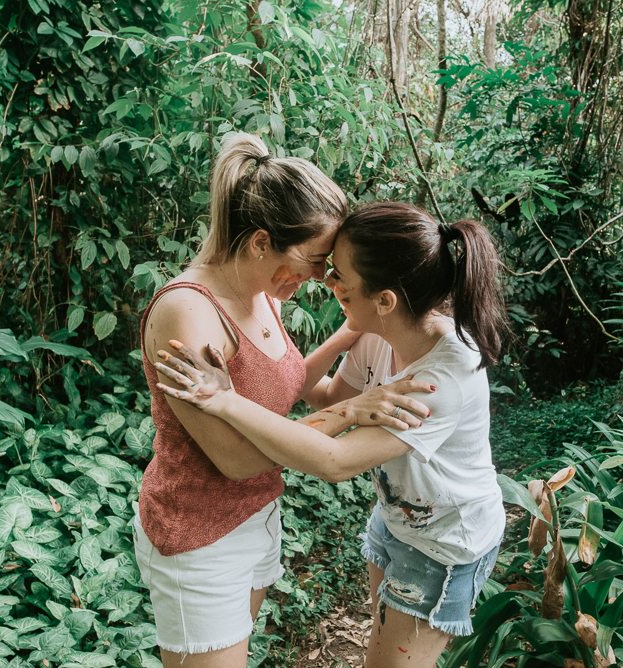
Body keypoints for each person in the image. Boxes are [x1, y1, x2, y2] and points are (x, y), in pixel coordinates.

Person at [155, 202, 511, 668]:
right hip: (397, 519)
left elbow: (334, 461)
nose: (327, 282)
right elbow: (315, 392)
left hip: (446, 543)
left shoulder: (443, 378)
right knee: (382, 647)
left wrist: (224, 400)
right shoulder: (378, 332)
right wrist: (348, 332)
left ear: (385, 300)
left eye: (339, 275)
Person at [135, 136, 434, 667]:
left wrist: (353, 331)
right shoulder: (190, 312)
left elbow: (283, 384)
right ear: (259, 242)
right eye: (316, 260)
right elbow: (237, 458)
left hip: (258, 515)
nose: (322, 276)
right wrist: (350, 410)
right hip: (199, 533)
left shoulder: (263, 294)